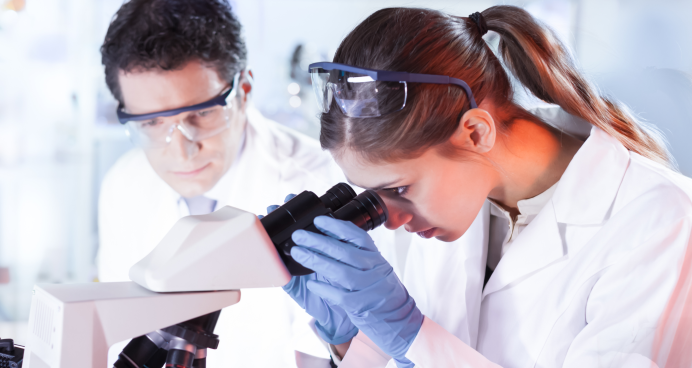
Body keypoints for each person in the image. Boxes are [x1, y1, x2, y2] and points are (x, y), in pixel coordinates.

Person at [277, 6, 692, 368]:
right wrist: (348, 337)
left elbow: (422, 349)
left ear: (475, 132)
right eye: (371, 194)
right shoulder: (450, 204)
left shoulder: (659, 221)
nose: (391, 221)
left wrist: (411, 336)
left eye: (399, 189)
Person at [96, 0, 339, 366]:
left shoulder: (315, 184)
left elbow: (320, 357)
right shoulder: (123, 186)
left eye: (203, 113)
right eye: (151, 124)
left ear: (244, 89)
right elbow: (116, 335)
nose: (182, 149)